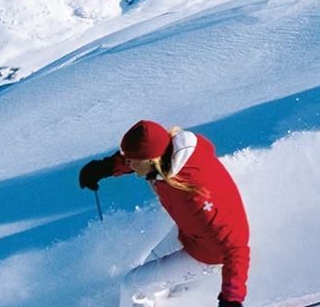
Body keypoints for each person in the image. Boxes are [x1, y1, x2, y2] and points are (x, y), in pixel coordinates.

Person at [79, 120, 250, 307]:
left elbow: (235, 248)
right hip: (191, 232)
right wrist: (105, 168)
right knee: (149, 268)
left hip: (212, 254)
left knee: (133, 285)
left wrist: (231, 298)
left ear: (150, 161)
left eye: (131, 161)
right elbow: (142, 154)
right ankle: (173, 296)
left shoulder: (197, 197)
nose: (127, 163)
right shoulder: (168, 155)